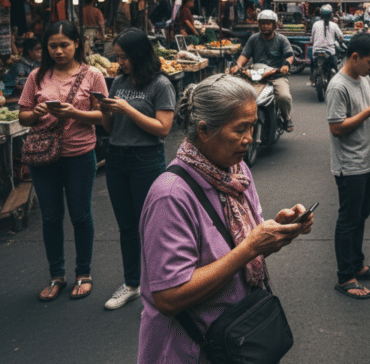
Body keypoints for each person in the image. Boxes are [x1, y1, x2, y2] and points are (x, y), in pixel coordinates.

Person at [137, 74, 312, 363]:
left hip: (236, 334)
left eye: (252, 126)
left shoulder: (236, 171)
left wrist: (278, 227)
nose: (249, 139)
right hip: (192, 349)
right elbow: (168, 297)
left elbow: (239, 236)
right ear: (204, 131)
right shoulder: (170, 196)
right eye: (240, 129)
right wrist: (251, 248)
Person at [17, 21, 108, 301]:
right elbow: (23, 115)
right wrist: (36, 113)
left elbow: (104, 116)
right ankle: (56, 275)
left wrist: (74, 114)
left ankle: (84, 273)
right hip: (43, 157)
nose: (58, 51)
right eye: (53, 46)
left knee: (80, 215)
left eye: (64, 45)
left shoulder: (93, 75)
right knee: (50, 217)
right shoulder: (37, 75)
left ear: (77, 43)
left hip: (79, 154)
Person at [97, 28, 176, 311]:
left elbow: (163, 129)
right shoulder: (117, 81)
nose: (121, 63)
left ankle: (160, 285)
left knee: (152, 226)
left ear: (139, 54)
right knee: (127, 226)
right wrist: (106, 109)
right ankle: (132, 283)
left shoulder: (160, 84)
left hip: (145, 159)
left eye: (125, 57)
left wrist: (127, 109)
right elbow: (108, 128)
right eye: (118, 57)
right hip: (116, 158)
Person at [327, 33, 370, 300]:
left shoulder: (363, 79)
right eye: (369, 62)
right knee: (348, 220)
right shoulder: (337, 86)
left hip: (369, 161)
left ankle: (358, 264)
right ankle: (345, 277)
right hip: (350, 165)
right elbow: (336, 128)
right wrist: (369, 112)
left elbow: (364, 111)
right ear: (354, 57)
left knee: (361, 217)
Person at [232, 9, 295, 132]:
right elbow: (244, 56)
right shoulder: (253, 39)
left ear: (274, 25)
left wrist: (286, 65)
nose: (265, 26)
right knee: (241, 96)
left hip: (276, 76)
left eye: (268, 23)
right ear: (259, 25)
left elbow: (289, 55)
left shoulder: (281, 39)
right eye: (263, 23)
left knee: (284, 97)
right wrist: (238, 66)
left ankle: (287, 118)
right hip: (256, 75)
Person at [309, 4, 344, 87]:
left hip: (317, 51)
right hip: (330, 52)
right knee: (336, 67)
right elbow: (341, 36)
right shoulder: (334, 25)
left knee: (313, 65)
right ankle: (339, 82)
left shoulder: (315, 24)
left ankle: (312, 79)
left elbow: (312, 40)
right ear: (331, 15)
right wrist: (340, 40)